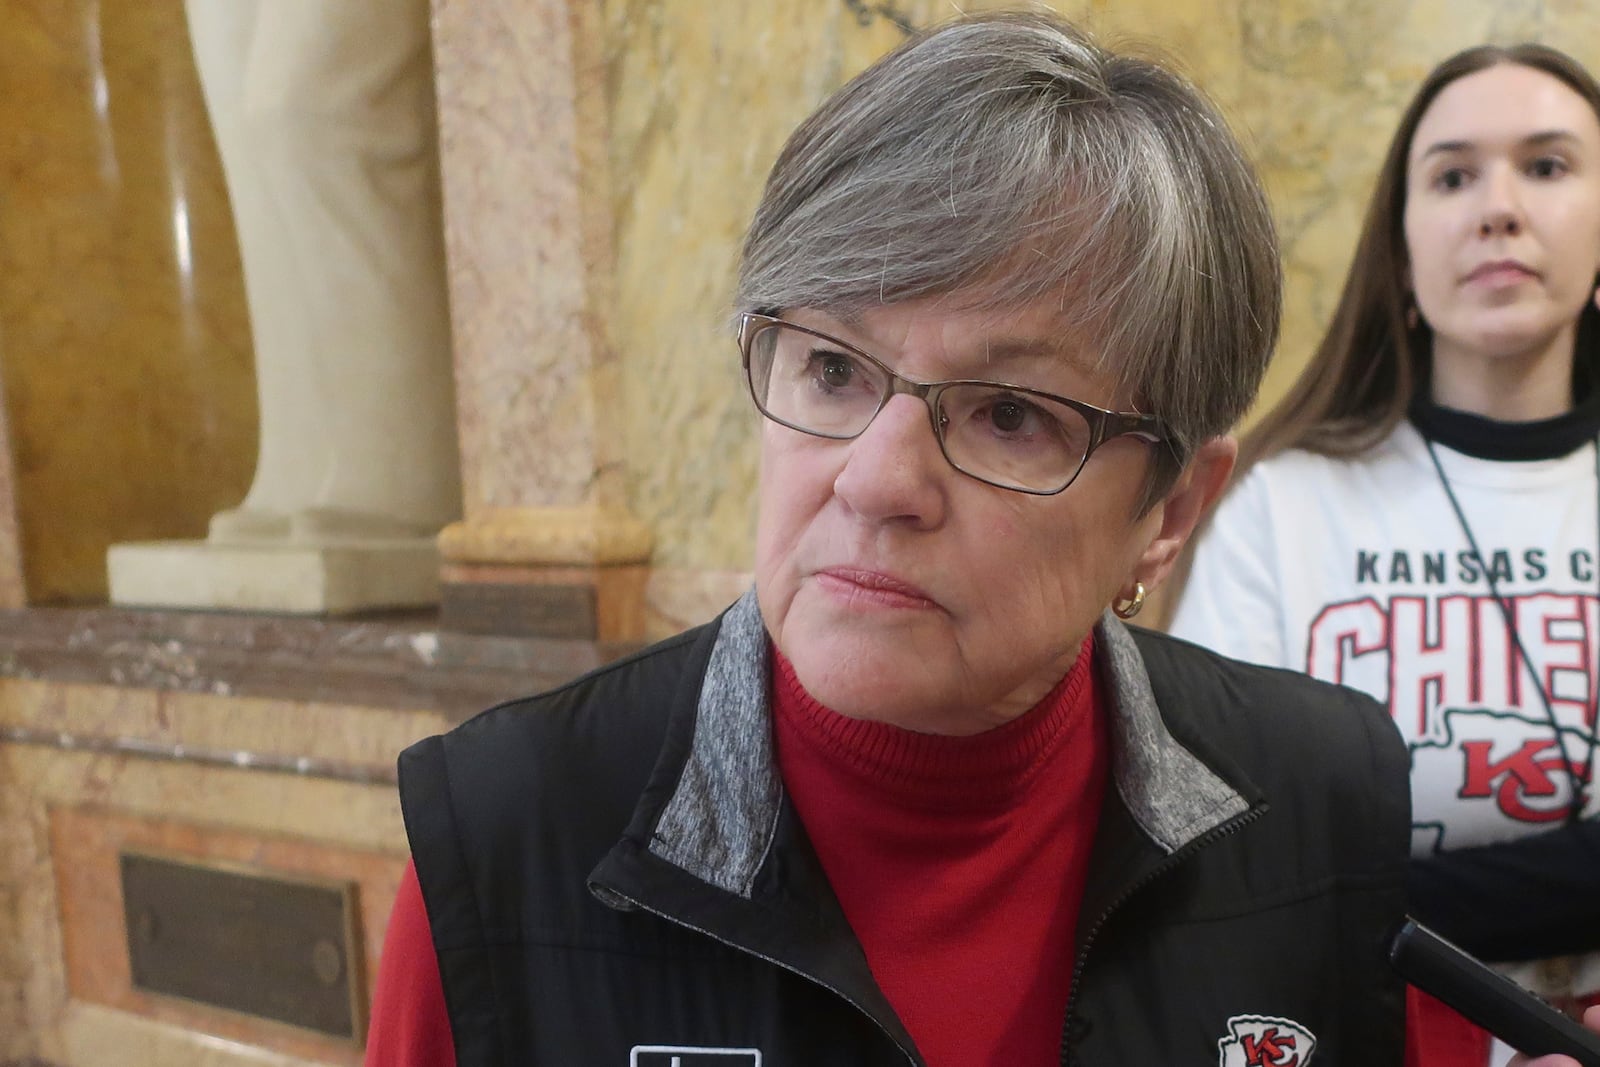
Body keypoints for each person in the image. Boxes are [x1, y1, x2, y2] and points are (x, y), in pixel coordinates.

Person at [364, 11, 1424, 1064]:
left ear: (1170, 513)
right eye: (832, 369)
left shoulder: (1323, 801)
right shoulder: (502, 832)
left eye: (1010, 412)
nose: (875, 480)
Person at [1168, 42, 1600, 1067]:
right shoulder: (1281, 507)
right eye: (1451, 174)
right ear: (1400, 251)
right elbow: (1225, 867)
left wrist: (1374, 897)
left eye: (1545, 166)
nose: (1496, 207)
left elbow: (1318, 882)